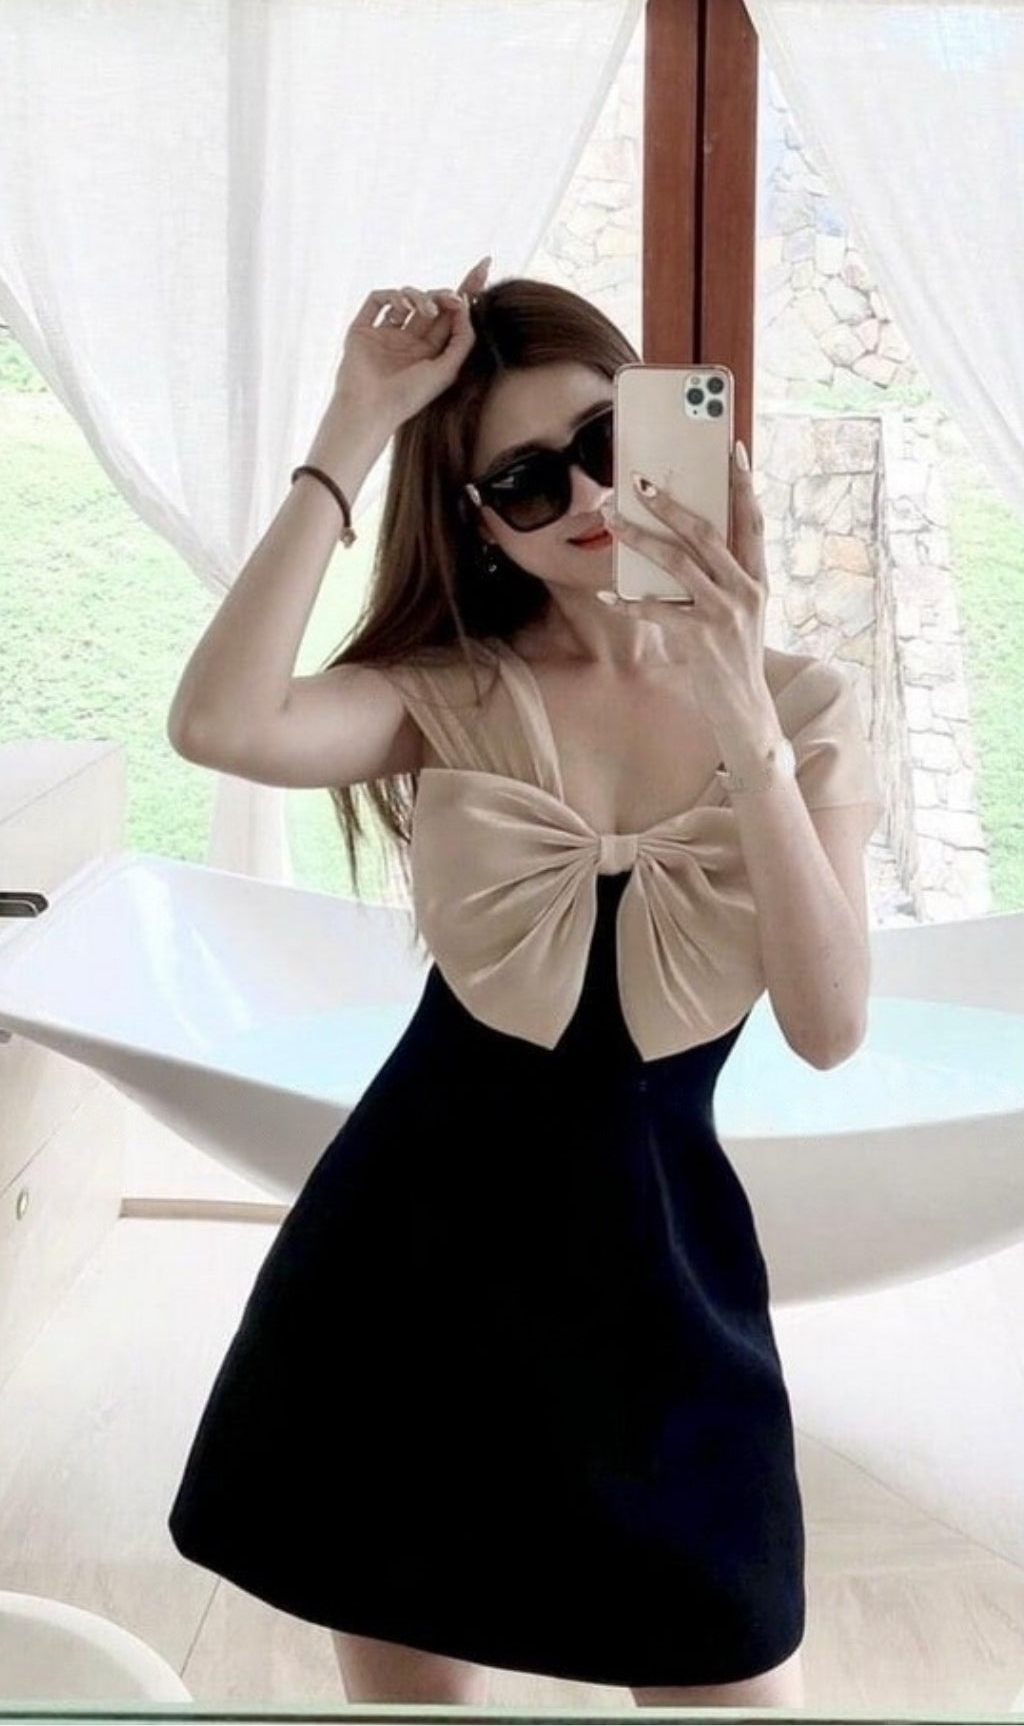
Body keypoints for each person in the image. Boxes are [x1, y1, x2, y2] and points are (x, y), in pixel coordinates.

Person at [166, 254, 883, 1709]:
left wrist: (736, 704)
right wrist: (354, 427)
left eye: (610, 439)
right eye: (527, 482)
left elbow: (829, 1026)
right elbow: (220, 724)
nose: (593, 495)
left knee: (734, 1672)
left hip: (663, 1295)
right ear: (480, 523)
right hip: (401, 1286)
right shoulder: (451, 692)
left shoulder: (807, 706)